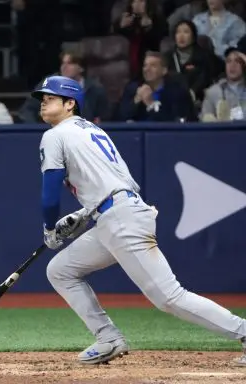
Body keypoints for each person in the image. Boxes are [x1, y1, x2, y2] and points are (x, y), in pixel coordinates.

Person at [34, 75, 246, 366]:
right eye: (42, 98)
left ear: (70, 104)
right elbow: (113, 185)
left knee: (169, 297)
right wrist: (83, 215)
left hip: (121, 219)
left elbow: (49, 196)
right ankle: (108, 338)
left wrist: (49, 228)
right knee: (60, 270)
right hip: (117, 214)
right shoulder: (91, 130)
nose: (43, 102)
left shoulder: (55, 135)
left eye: (50, 97)